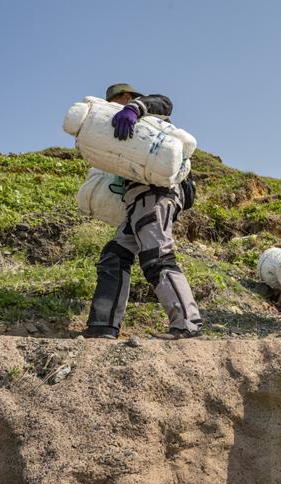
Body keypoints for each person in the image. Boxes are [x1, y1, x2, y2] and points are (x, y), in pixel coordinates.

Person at [83, 83, 202, 340]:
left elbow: (165, 101)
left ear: (125, 98)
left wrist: (134, 109)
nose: (110, 109)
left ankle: (187, 324)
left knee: (156, 255)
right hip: (137, 199)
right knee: (114, 255)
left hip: (156, 194)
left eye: (114, 102)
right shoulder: (122, 132)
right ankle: (102, 326)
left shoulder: (149, 116)